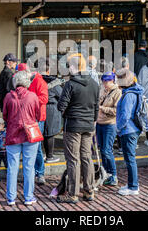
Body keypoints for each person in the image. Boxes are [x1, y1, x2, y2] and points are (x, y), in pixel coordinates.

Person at [57, 53, 99, 204]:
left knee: (73, 159)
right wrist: (93, 120)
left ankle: (73, 194)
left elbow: (61, 106)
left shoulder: (70, 84)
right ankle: (89, 191)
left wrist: (68, 112)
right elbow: (96, 107)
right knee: (86, 157)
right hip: (88, 124)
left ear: (74, 67)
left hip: (73, 125)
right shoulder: (94, 84)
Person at [3, 70, 41, 206]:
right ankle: (28, 197)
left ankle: (11, 198)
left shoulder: (8, 96)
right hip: (29, 134)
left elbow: (5, 116)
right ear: (27, 82)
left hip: (13, 133)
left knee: (12, 167)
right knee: (29, 167)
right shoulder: (33, 96)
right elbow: (38, 114)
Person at [17, 62, 48, 185]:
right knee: (27, 146)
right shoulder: (23, 82)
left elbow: (44, 99)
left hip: (37, 118)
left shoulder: (40, 81)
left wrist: (30, 99)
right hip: (26, 117)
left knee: (37, 147)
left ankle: (40, 173)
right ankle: (29, 173)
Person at [115, 68, 143, 196]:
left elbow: (125, 116)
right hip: (132, 129)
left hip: (128, 130)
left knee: (130, 159)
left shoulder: (128, 95)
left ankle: (133, 186)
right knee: (130, 158)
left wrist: (118, 128)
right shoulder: (134, 92)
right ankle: (132, 184)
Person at [96, 71, 122, 186]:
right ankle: (105, 173)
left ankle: (113, 175)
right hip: (99, 123)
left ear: (113, 81)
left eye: (107, 81)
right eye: (104, 81)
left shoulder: (117, 93)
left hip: (110, 124)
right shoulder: (102, 90)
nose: (105, 84)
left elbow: (117, 111)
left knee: (107, 150)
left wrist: (102, 108)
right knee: (102, 149)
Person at [41, 60, 64, 163]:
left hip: (39, 107)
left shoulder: (35, 80)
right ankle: (50, 156)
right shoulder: (53, 82)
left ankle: (41, 155)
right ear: (48, 70)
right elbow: (62, 96)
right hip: (51, 109)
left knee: (41, 133)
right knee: (49, 133)